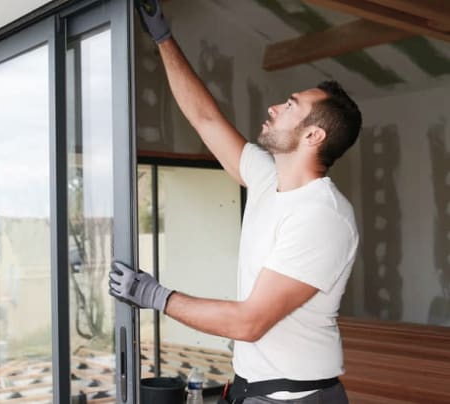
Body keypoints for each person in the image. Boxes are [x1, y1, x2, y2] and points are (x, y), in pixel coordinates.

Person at [109, 1, 362, 403]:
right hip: (251, 390)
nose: (273, 107)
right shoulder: (267, 178)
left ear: (313, 136)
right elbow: (205, 118)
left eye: (290, 106)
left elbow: (250, 322)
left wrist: (156, 296)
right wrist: (163, 37)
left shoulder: (322, 216)